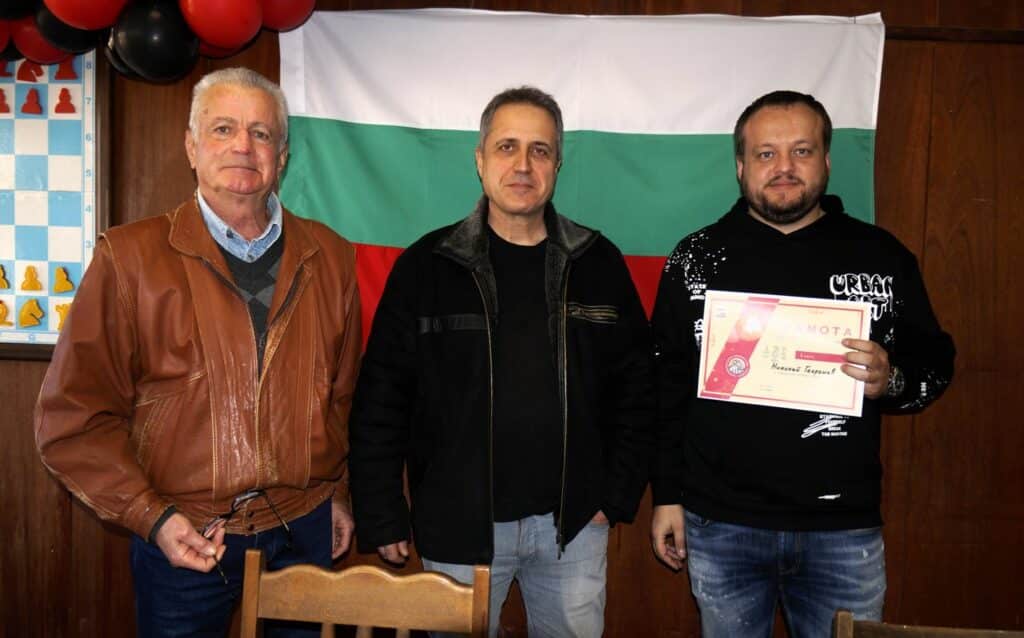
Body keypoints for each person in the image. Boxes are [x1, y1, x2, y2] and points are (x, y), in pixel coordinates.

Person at [35, 67, 361, 637]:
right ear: (191, 146)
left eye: (261, 133)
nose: (243, 146)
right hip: (183, 538)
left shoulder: (331, 256)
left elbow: (342, 394)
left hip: (303, 532)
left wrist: (336, 492)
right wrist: (152, 517)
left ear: (282, 156)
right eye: (223, 129)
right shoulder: (128, 259)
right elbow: (73, 420)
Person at [349, 86, 655, 637]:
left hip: (572, 528)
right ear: (480, 159)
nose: (523, 165)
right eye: (507, 147)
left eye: (540, 150)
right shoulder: (426, 267)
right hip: (457, 526)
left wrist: (614, 496)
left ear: (557, 165)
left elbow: (638, 387)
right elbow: (382, 398)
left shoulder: (598, 263)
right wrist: (381, 511)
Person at [649, 90, 956, 638]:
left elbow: (936, 363)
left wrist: (891, 380)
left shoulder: (881, 257)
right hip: (721, 523)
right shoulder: (696, 259)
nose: (784, 167)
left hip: (842, 530)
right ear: (741, 166)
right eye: (766, 153)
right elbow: (664, 386)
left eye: (802, 151)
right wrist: (666, 495)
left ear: (827, 160)